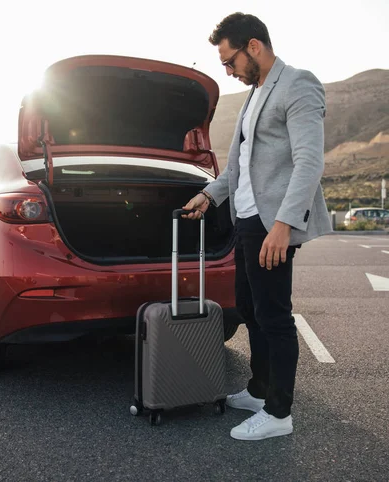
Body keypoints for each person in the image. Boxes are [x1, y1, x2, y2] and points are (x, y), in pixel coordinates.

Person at [182, 12, 332, 440]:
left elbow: (309, 162)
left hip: (273, 223)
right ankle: (260, 390)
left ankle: (279, 414)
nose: (228, 71)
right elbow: (238, 165)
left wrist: (284, 226)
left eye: (230, 61)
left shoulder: (298, 83)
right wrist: (210, 195)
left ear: (254, 46)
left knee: (274, 316)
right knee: (249, 311)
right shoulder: (255, 94)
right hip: (245, 220)